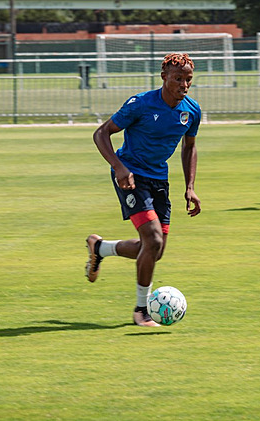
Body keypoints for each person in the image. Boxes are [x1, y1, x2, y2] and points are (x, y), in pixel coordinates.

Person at [85, 53, 202, 327]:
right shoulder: (140, 104)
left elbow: (189, 147)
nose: (183, 85)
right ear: (164, 78)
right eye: (177, 79)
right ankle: (141, 311)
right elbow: (101, 133)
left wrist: (190, 187)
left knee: (154, 250)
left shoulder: (191, 111)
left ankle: (100, 248)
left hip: (159, 180)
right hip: (132, 176)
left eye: (188, 80)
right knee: (154, 240)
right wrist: (119, 168)